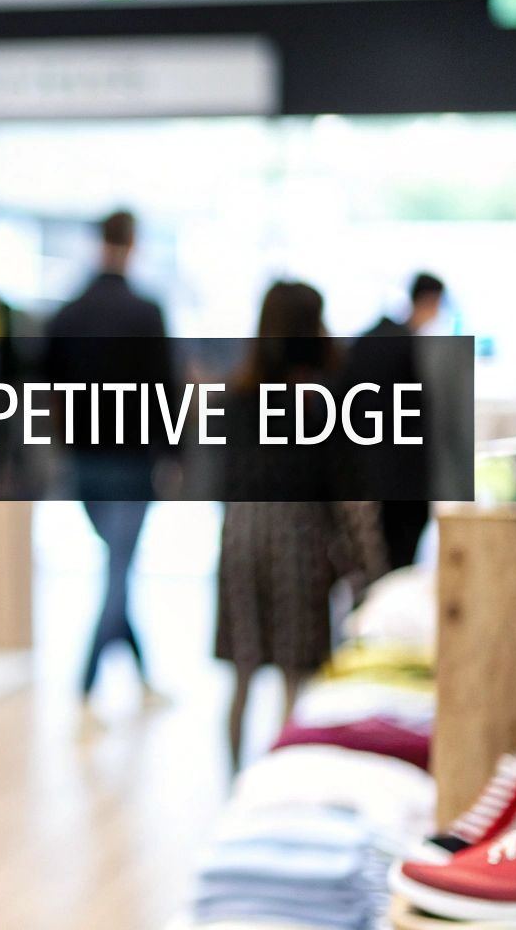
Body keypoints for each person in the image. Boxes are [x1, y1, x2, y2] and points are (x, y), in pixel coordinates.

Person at [216, 281, 386, 772]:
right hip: (298, 535)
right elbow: (350, 498)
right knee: (296, 674)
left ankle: (236, 788)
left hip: (241, 532)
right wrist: (369, 572)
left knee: (243, 674)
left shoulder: (239, 393)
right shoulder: (324, 398)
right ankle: (282, 785)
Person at [42, 210, 175, 703]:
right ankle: (86, 683)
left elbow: (48, 388)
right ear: (132, 243)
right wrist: (173, 455)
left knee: (118, 567)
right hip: (133, 461)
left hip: (84, 460)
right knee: (118, 570)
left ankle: (140, 677)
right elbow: (165, 388)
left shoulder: (68, 311)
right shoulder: (146, 312)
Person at [343, 273, 443, 569]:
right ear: (430, 301)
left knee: (373, 562)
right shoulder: (410, 345)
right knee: (400, 560)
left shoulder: (368, 339)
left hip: (366, 470)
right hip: (403, 474)